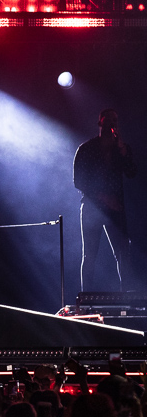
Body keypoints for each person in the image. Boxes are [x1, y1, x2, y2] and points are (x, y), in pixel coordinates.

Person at [73, 109, 136, 291]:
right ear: (101, 122)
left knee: (123, 253)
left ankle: (127, 297)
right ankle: (86, 299)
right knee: (90, 255)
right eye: (109, 120)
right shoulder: (86, 149)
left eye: (115, 120)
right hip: (93, 206)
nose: (112, 124)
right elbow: (79, 181)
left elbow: (132, 172)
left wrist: (123, 151)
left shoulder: (121, 149)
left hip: (115, 209)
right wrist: (104, 198)